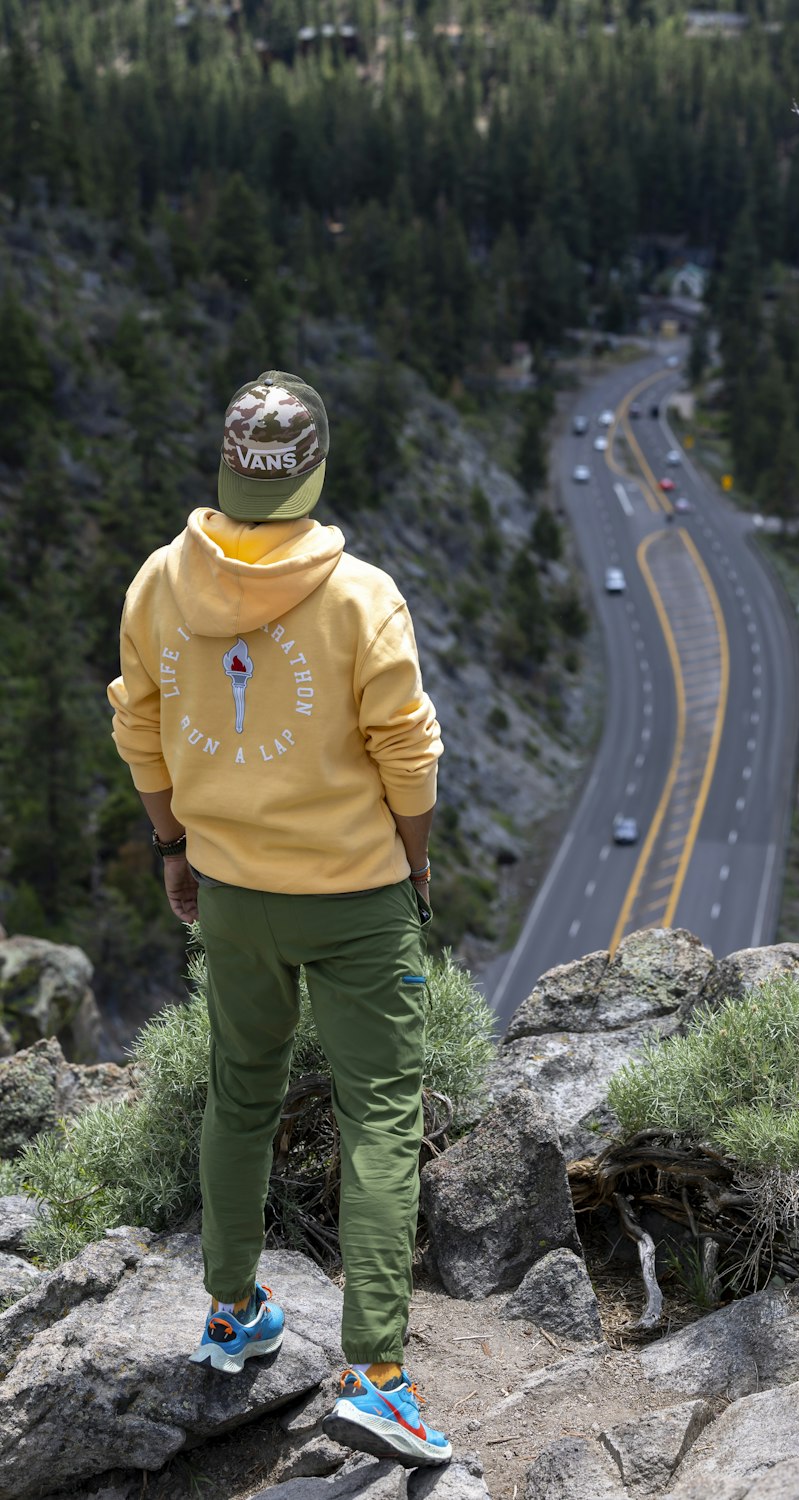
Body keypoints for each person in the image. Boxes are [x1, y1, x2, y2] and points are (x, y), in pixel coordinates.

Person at [107, 370, 451, 1468]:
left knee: (240, 1095)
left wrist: (173, 846)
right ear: (313, 469)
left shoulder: (160, 584)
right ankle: (380, 1383)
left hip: (234, 894)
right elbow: (408, 747)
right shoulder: (361, 596)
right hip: (353, 900)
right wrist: (414, 863)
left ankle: (230, 1312)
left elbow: (141, 725)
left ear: (227, 468)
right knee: (380, 1120)